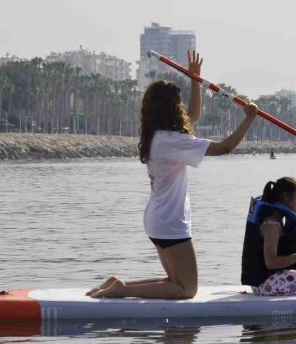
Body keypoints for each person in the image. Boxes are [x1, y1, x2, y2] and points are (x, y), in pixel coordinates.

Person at [90, 50, 258, 299]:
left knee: (175, 281)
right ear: (171, 108)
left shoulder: (157, 136)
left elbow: (194, 117)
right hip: (170, 221)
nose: (182, 107)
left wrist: (195, 80)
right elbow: (225, 148)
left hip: (158, 218)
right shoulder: (173, 141)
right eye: (178, 103)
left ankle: (119, 284)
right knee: (186, 289)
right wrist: (249, 119)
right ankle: (122, 289)